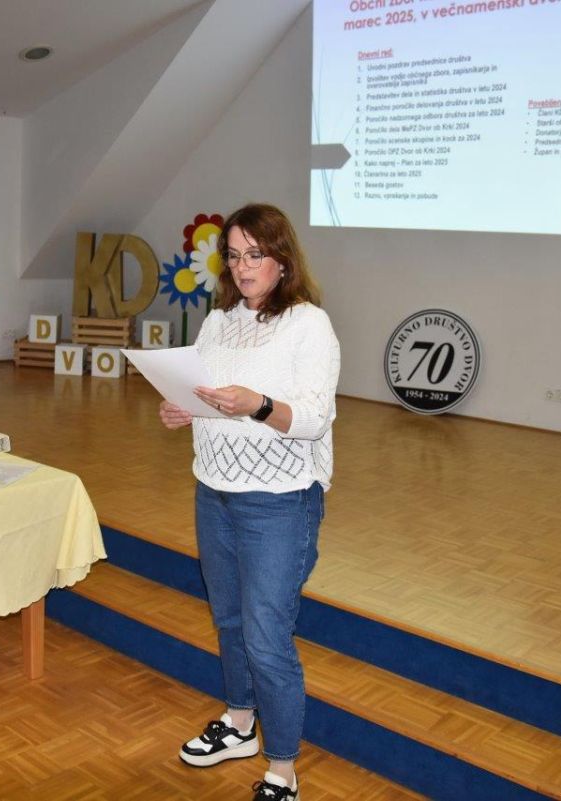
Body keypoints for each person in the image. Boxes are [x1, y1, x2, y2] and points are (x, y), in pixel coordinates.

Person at [159, 203, 339, 801]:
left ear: (282, 259)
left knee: (266, 638)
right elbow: (209, 399)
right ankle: (239, 723)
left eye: (254, 255)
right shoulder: (218, 321)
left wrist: (257, 404)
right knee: (229, 620)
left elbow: (312, 419)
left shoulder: (309, 324)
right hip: (214, 492)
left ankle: (283, 771)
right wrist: (183, 410)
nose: (242, 267)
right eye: (234, 256)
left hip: (279, 502)